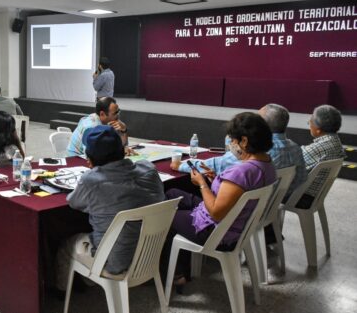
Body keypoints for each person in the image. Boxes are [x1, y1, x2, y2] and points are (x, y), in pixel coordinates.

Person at [164, 112, 276, 291]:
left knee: (165, 215)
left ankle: (177, 274)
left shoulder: (242, 172)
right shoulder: (267, 165)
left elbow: (216, 212)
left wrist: (202, 184)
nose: (231, 145)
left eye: (233, 140)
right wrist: (217, 181)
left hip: (216, 230)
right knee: (173, 193)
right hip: (237, 224)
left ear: (244, 141)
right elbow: (237, 193)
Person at [55, 125, 165, 290]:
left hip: (115, 262)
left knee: (67, 244)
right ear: (122, 150)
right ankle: (90, 280)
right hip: (149, 254)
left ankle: (63, 292)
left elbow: (74, 202)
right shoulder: (148, 169)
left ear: (90, 158)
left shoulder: (91, 180)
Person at [297, 105, 346, 209]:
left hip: (302, 196)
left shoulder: (317, 149)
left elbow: (293, 164)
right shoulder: (336, 142)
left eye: (310, 122)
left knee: (272, 193)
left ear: (318, 130)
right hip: (317, 194)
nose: (309, 124)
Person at [258, 103, 307, 198]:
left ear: (263, 126)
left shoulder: (261, 151)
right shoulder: (296, 148)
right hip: (279, 199)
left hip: (257, 202)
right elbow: (301, 179)